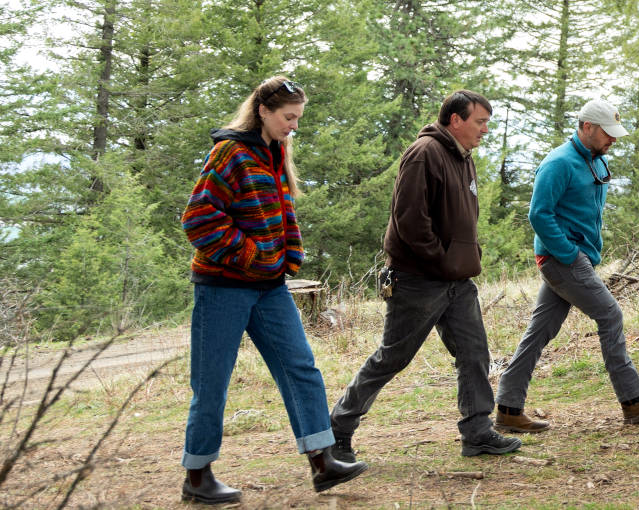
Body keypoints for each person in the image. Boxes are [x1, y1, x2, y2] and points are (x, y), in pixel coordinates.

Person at [180, 76, 367, 505]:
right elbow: (197, 219)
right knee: (212, 384)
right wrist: (252, 255)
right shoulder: (231, 153)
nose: (294, 127)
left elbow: (280, 214)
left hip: (270, 289)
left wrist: (286, 258)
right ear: (263, 111)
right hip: (223, 287)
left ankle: (323, 462)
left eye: (298, 118)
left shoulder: (274, 151)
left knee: (300, 367)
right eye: (288, 117)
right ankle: (197, 476)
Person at [328, 90, 522, 460]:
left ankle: (478, 432)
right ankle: (337, 428)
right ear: (456, 120)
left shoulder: (463, 157)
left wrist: (465, 258)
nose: (484, 131)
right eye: (480, 122)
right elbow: (410, 221)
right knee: (392, 358)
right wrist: (442, 260)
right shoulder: (424, 154)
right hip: (417, 280)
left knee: (473, 353)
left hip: (456, 281)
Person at [494, 99, 639, 432]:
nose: (613, 140)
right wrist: (567, 253)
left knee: (539, 333)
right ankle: (633, 401)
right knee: (610, 315)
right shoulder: (559, 163)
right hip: (563, 259)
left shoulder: (594, 160)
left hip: (573, 259)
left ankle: (507, 408)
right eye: (608, 133)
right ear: (587, 127)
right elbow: (539, 214)